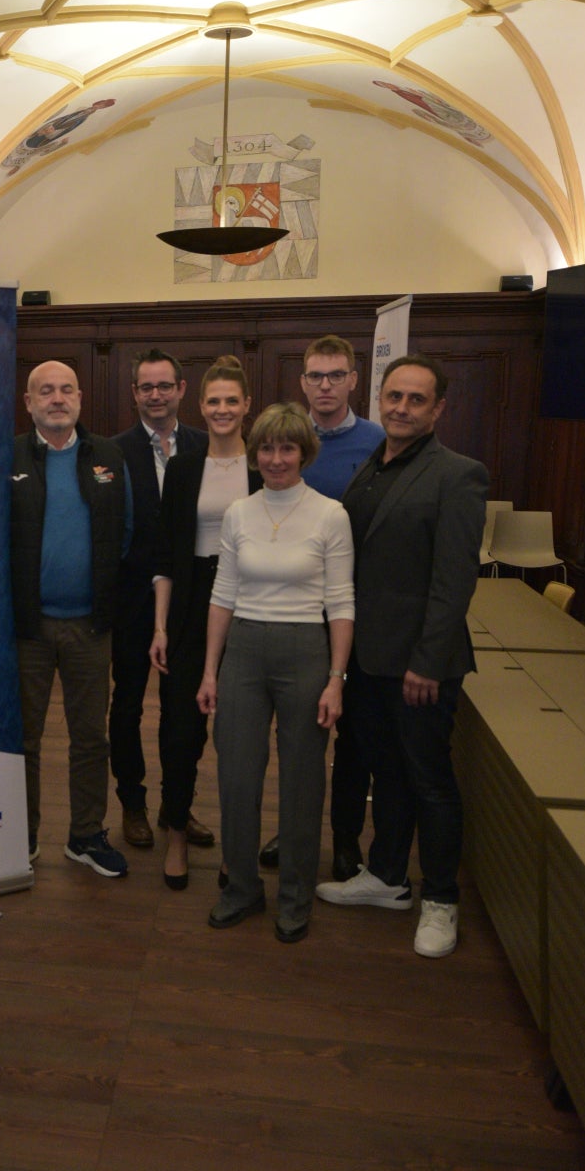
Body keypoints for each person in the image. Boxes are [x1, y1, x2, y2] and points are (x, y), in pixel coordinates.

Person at [315, 355, 487, 959]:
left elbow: (454, 579)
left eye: (417, 400)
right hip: (365, 659)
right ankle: (388, 878)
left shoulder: (458, 475)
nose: (402, 408)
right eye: (395, 397)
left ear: (438, 409)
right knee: (386, 775)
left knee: (430, 782)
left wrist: (428, 662)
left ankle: (440, 899)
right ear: (380, 400)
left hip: (419, 667)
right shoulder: (372, 468)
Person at [195, 403, 354, 942]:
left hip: (307, 653)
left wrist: (336, 677)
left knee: (303, 779)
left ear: (304, 453)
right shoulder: (239, 512)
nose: (276, 458)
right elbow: (223, 595)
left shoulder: (331, 514)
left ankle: (295, 895)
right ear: (254, 452)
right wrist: (210, 671)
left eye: (288, 448)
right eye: (266, 448)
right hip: (243, 651)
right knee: (236, 775)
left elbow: (342, 603)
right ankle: (240, 888)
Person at [259, 335, 386, 878]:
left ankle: (346, 840)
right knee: (299, 739)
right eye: (315, 376)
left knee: (354, 738)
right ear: (303, 381)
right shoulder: (285, 440)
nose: (326, 385)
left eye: (336, 375)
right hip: (294, 617)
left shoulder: (380, 442)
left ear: (355, 380)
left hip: (356, 611)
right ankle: (294, 833)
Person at [11, 359, 132, 878]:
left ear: (80, 398)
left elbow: (123, 531)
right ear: (29, 402)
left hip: (89, 625)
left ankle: (85, 835)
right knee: (23, 738)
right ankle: (20, 837)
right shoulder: (8, 456)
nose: (56, 399)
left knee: (90, 736)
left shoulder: (107, 454)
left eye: (65, 390)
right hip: (28, 628)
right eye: (46, 391)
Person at [148, 356, 257, 890]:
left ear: (246, 405)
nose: (221, 409)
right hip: (191, 606)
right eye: (212, 401)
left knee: (240, 735)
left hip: (252, 608)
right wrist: (161, 627)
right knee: (180, 730)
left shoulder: (265, 465)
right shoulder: (185, 467)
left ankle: (238, 847)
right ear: (201, 405)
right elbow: (166, 557)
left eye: (230, 400)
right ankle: (175, 831)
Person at [110, 348, 208, 852]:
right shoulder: (111, 451)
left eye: (164, 386)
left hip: (189, 604)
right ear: (135, 394)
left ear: (181, 389)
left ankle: (177, 807)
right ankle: (132, 804)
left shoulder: (207, 447)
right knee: (127, 708)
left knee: (183, 713)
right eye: (146, 387)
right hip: (130, 603)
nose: (155, 395)